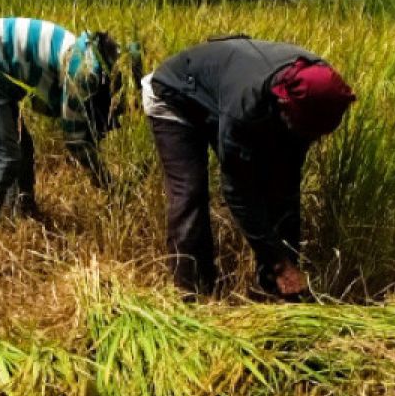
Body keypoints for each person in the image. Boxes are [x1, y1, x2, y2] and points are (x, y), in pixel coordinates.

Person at [144, 36, 355, 300]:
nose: (312, 141)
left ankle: (277, 295)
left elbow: (286, 182)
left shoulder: (320, 87)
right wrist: (279, 264)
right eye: (307, 132)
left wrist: (287, 262)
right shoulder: (246, 108)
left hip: (220, 92)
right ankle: (192, 295)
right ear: (284, 109)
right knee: (191, 193)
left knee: (281, 185)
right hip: (175, 96)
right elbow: (238, 192)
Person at [0, 17, 123, 221]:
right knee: (2, 159)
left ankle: (22, 215)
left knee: (23, 148)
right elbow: (75, 140)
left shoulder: (84, 53)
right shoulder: (84, 74)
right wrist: (106, 181)